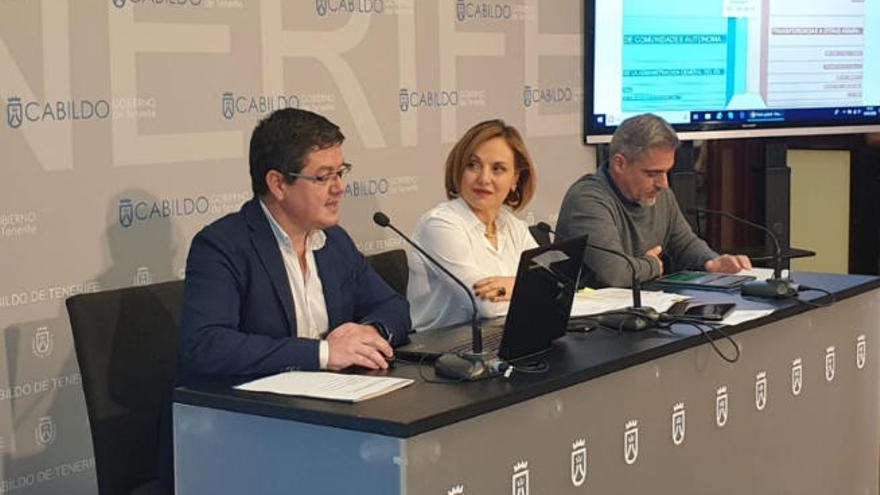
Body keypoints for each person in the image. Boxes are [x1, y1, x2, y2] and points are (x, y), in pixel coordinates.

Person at [177, 108, 411, 384]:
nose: (339, 187)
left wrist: (371, 331)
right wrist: (322, 353)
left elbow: (394, 306)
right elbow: (207, 345)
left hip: (333, 401)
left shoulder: (334, 241)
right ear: (278, 184)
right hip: (251, 414)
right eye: (323, 177)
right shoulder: (222, 245)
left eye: (341, 172)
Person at [556, 113, 751, 288]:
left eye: (666, 171)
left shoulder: (660, 194)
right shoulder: (587, 200)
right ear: (619, 164)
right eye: (652, 173)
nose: (663, 183)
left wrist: (712, 262)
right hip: (592, 322)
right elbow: (615, 275)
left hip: (640, 311)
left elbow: (684, 243)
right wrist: (652, 265)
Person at [407, 119, 538, 330]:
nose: (484, 178)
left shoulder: (513, 227)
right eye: (473, 165)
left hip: (502, 338)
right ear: (459, 169)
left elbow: (555, 286)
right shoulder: (439, 225)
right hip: (440, 352)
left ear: (515, 178)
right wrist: (525, 285)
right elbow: (486, 306)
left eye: (498, 169)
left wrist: (510, 286)